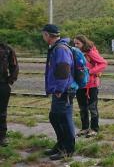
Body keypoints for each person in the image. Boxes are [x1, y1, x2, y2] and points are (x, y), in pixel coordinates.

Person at [41, 24, 75, 160]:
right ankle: (61, 145)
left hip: (63, 91)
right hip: (60, 90)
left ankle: (67, 149)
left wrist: (59, 89)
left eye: (43, 35)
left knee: (63, 120)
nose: (43, 37)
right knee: (55, 118)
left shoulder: (60, 49)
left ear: (47, 35)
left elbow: (64, 69)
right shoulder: (57, 47)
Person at [73, 35, 107, 138]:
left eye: (78, 43)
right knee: (82, 108)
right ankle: (85, 128)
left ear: (84, 43)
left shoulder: (90, 52)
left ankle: (94, 129)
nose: (76, 45)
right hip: (80, 85)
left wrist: (90, 72)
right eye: (74, 43)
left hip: (91, 85)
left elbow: (103, 63)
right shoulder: (76, 53)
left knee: (92, 108)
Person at [0, 41, 19, 147]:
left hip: (2, 84)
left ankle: (2, 136)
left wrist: (10, 80)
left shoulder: (6, 48)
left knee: (1, 113)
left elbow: (14, 66)